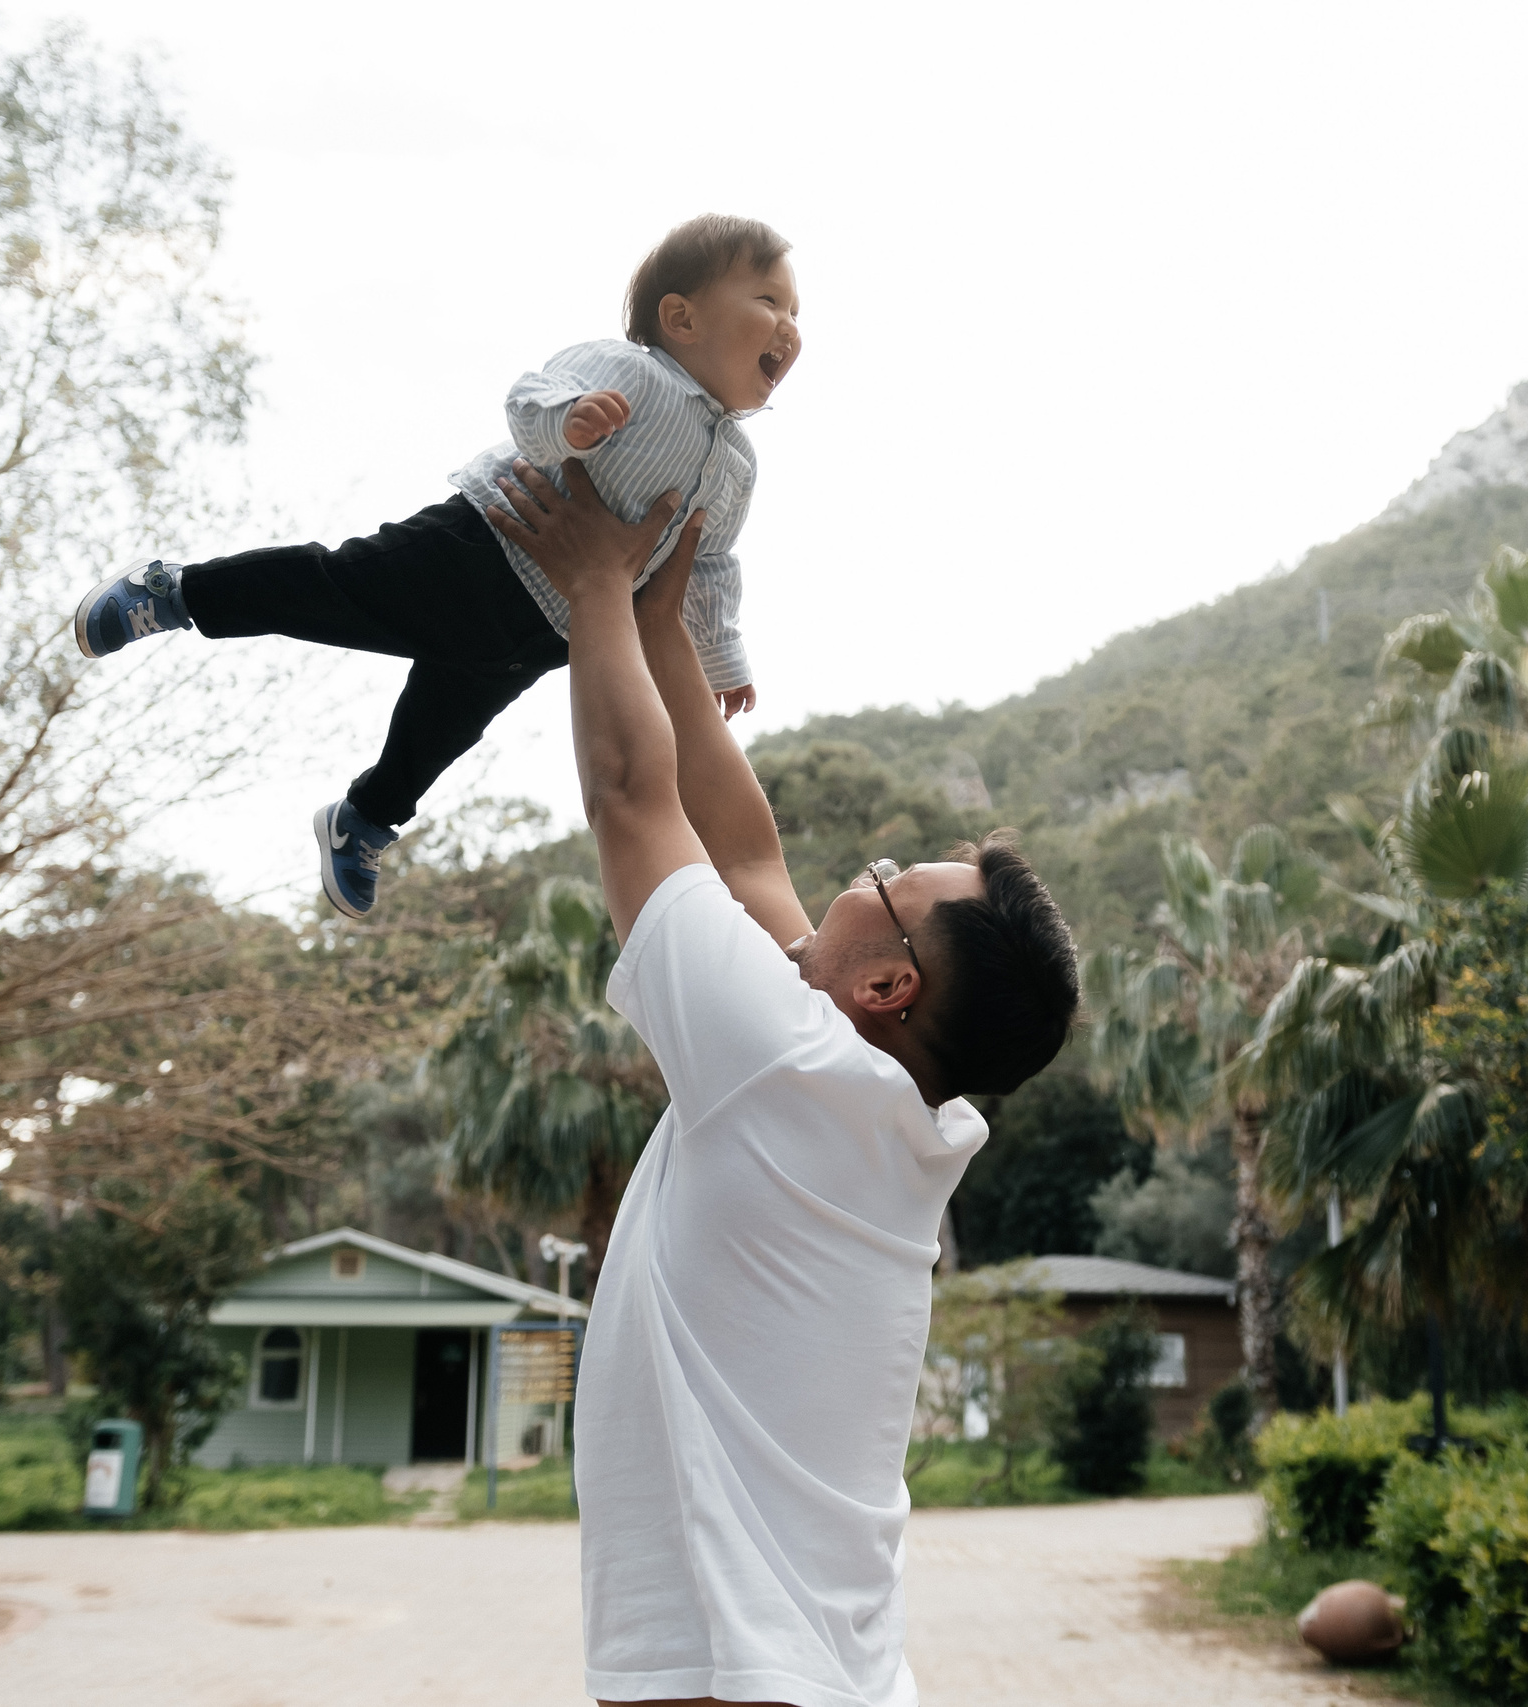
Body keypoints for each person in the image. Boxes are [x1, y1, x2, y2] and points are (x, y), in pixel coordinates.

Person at [486, 455, 1081, 1707]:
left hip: (737, 1675)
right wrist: (664, 628)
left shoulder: (782, 1061)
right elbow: (748, 858)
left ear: (888, 985)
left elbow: (629, 797)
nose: (860, 875)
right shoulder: (888, 1112)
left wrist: (592, 584)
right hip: (823, 1667)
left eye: (883, 884)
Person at [66, 214, 798, 918]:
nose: (790, 327)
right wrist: (570, 421)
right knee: (334, 589)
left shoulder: (738, 465)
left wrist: (721, 656)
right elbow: (532, 398)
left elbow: (707, 567)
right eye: (769, 301)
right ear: (681, 317)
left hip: (557, 628)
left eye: (797, 312)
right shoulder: (629, 370)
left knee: (445, 727)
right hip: (482, 547)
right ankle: (178, 592)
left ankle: (364, 818)